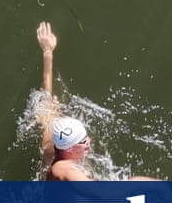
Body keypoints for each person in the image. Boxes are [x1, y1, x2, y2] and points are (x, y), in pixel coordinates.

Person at [35, 21, 157, 182]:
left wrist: (48, 51)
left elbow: (46, 98)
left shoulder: (52, 141)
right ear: (70, 148)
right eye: (83, 141)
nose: (89, 141)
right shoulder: (65, 171)